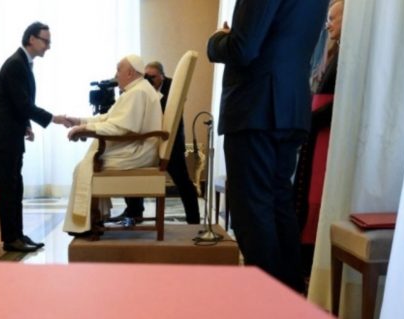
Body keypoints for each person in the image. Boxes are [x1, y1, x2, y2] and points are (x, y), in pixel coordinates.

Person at [207, 0, 328, 292]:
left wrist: (215, 41)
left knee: (253, 210)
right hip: (292, 103)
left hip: (257, 105)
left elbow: (244, 48)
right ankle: (290, 295)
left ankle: (267, 301)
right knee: (277, 203)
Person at [0, 21, 69, 253]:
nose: (48, 46)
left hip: (11, 134)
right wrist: (54, 118)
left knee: (15, 188)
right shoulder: (15, 64)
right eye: (46, 41)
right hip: (3, 138)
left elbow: (17, 103)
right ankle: (11, 240)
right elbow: (22, 103)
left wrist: (26, 125)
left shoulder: (23, 62)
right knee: (8, 188)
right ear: (32, 39)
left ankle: (17, 235)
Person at [62, 55, 163, 235]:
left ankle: (87, 223)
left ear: (130, 72)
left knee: (85, 167)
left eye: (118, 70)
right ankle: (95, 218)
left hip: (138, 152)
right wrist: (80, 121)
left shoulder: (138, 92)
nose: (116, 75)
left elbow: (120, 128)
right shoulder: (136, 90)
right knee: (88, 163)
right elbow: (109, 118)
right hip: (136, 146)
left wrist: (86, 129)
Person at [115, 60, 200, 225]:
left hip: (172, 141)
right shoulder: (143, 87)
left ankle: (194, 219)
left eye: (153, 77)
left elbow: (165, 111)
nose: (149, 80)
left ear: (162, 76)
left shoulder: (173, 87)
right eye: (146, 76)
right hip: (148, 139)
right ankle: (134, 212)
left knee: (182, 180)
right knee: (132, 169)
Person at [293, 0, 344, 276]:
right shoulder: (336, 53)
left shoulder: (349, 56)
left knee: (313, 195)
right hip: (316, 132)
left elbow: (339, 103)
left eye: (333, 19)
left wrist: (310, 119)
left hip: (324, 133)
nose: (329, 25)